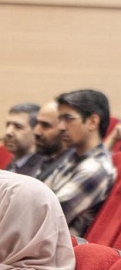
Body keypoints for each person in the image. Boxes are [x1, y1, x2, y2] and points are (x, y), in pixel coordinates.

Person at [44, 89, 117, 236]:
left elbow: (47, 216)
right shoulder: (73, 156)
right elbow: (40, 194)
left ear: (92, 122)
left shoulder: (95, 168)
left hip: (58, 245)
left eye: (68, 118)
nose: (61, 127)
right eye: (60, 119)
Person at [4, 102, 46, 176]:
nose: (8, 132)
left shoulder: (42, 169)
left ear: (36, 131)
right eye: (8, 125)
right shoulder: (12, 165)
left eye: (18, 127)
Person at [33, 101, 70, 181]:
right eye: (37, 123)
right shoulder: (47, 161)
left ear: (64, 129)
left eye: (45, 125)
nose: (36, 132)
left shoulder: (70, 168)